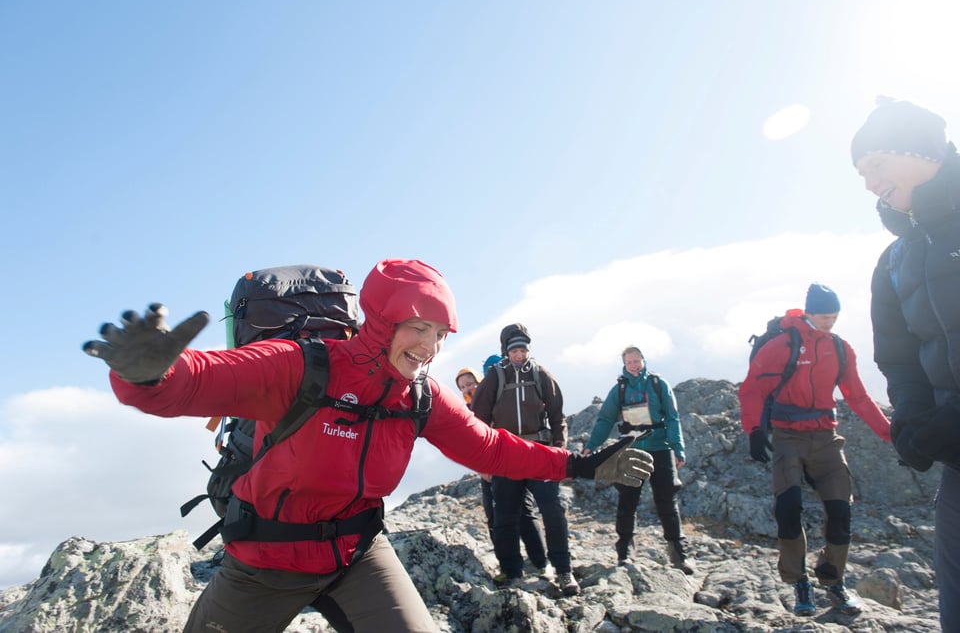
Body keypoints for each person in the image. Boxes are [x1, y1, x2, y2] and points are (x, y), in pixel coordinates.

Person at [82, 259, 655, 632]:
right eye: (417, 328)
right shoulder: (299, 367)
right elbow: (191, 382)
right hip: (264, 563)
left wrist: (579, 464)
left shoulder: (422, 396)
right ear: (379, 321)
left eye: (439, 335)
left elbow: (489, 448)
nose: (429, 348)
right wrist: (143, 374)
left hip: (358, 554)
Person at [851, 98, 960, 632]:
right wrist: (913, 425)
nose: (870, 183)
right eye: (862, 174)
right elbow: (899, 359)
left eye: (876, 165)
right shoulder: (893, 262)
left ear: (922, 150)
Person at [738, 283, 892, 617]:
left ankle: (832, 580)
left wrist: (889, 434)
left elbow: (858, 396)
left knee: (841, 513)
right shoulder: (782, 345)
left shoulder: (840, 348)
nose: (829, 322)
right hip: (788, 438)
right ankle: (799, 582)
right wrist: (753, 430)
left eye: (834, 317)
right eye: (824, 316)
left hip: (826, 438)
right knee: (788, 508)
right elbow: (752, 389)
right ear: (808, 312)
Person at [471, 324, 580, 595]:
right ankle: (512, 572)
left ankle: (564, 571)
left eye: (523, 349)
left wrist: (560, 450)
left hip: (538, 452)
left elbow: (557, 415)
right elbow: (479, 419)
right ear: (506, 352)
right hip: (506, 454)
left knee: (552, 510)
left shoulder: (541, 374)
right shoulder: (495, 377)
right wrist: (483, 461)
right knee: (505, 516)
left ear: (528, 350)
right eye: (514, 350)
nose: (519, 354)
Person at [584, 346, 694, 574]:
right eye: (629, 362)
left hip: (660, 449)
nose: (634, 365)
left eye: (637, 361)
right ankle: (625, 554)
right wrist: (591, 446)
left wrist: (678, 448)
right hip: (630, 449)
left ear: (643, 361)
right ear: (624, 365)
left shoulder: (658, 384)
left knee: (667, 502)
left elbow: (673, 418)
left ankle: (679, 556)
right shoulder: (619, 389)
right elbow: (605, 419)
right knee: (627, 501)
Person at [455, 367, 548, 580]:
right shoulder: (466, 412)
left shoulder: (497, 402)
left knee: (524, 513)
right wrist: (481, 468)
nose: (468, 388)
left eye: (471, 383)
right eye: (463, 386)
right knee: (494, 518)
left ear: (481, 381)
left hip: (510, 467)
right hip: (487, 472)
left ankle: (540, 562)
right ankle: (508, 568)